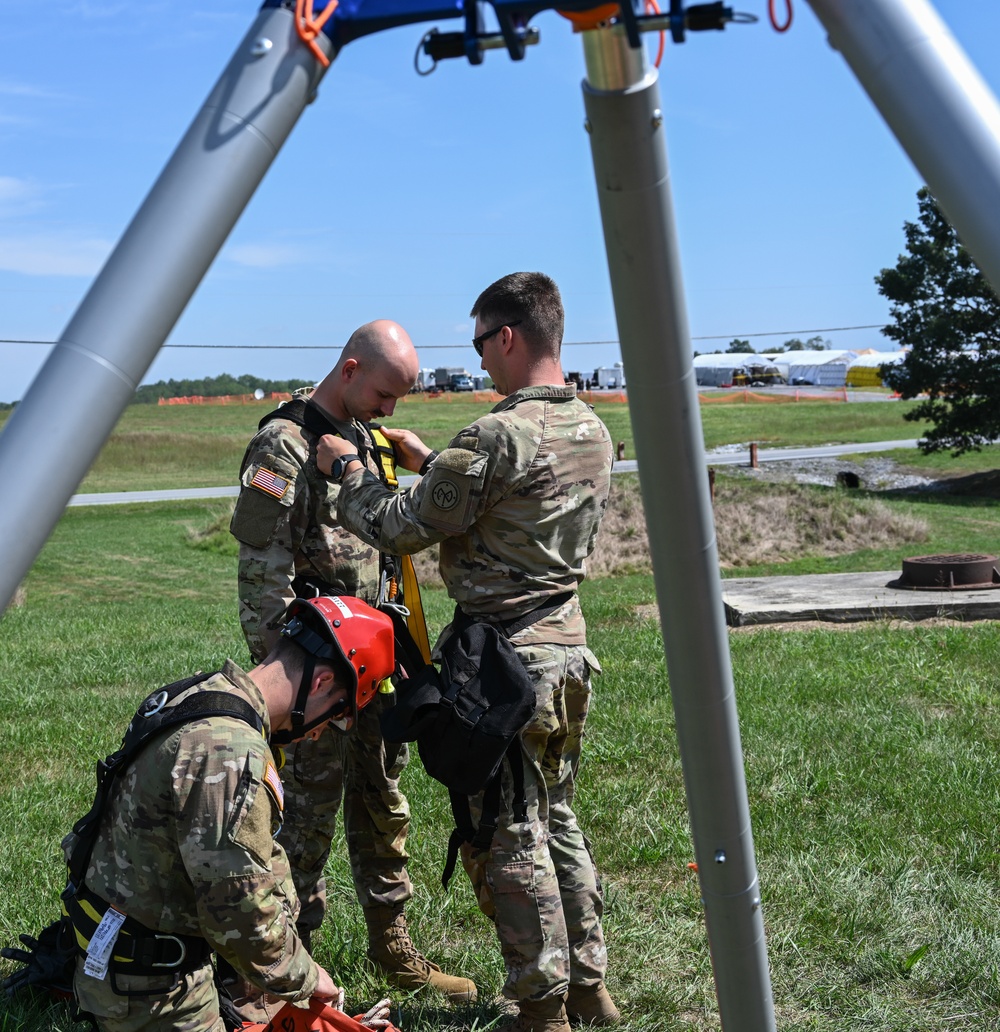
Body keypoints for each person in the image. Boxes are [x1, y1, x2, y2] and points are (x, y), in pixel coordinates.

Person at [319, 273, 619, 1032]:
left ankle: (541, 1003)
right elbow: (508, 505)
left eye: (482, 343)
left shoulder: (492, 436)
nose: (481, 361)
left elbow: (396, 527)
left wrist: (347, 471)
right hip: (568, 650)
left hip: (506, 664)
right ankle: (590, 985)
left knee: (510, 832)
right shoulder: (592, 428)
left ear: (508, 337)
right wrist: (431, 464)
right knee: (556, 818)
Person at [229, 320, 475, 1002]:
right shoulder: (282, 445)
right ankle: (290, 970)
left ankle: (392, 944)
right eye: (385, 392)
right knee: (301, 825)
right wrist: (283, 690)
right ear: (350, 368)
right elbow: (261, 577)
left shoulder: (364, 440)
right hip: (312, 675)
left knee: (382, 804)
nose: (391, 409)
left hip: (377, 662)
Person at [63, 595, 397, 1032]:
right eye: (334, 716)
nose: (317, 734)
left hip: (123, 951)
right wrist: (307, 978)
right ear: (321, 684)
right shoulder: (231, 751)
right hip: (152, 991)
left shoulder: (201, 694)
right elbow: (241, 917)